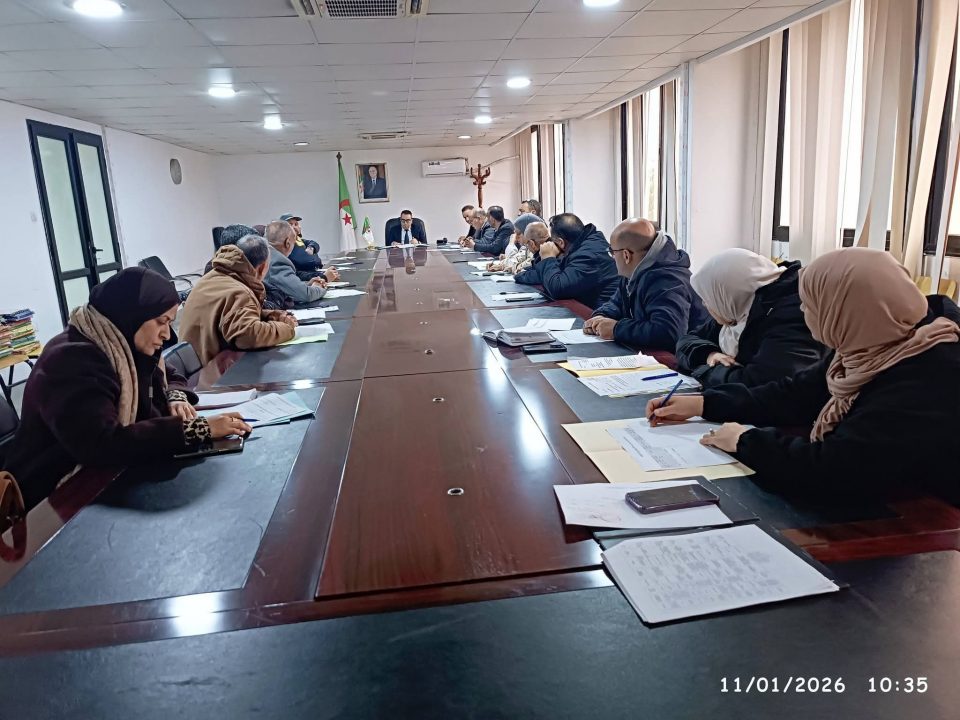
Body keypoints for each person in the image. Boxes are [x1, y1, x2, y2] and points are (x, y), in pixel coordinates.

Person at [648, 248, 960, 498]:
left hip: (931, 515)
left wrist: (745, 441)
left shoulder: (928, 373)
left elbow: (838, 469)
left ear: (845, 311)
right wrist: (705, 404)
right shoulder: (868, 342)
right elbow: (794, 393)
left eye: (811, 304)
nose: (801, 311)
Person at [2, 268, 252, 511]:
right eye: (161, 322)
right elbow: (102, 443)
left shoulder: (125, 342)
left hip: (108, 477)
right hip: (54, 495)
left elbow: (167, 374)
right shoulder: (71, 360)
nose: (167, 334)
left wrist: (174, 395)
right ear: (134, 314)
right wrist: (196, 430)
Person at [676, 248, 826, 387]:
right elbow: (686, 340)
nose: (704, 304)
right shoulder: (737, 308)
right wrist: (710, 354)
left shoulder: (789, 317)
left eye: (708, 298)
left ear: (726, 296)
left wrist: (707, 370)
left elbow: (759, 384)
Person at [585, 218, 707, 350]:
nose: (612, 257)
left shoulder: (668, 281)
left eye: (612, 252)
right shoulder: (634, 270)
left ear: (626, 256)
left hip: (685, 358)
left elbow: (668, 332)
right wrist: (601, 317)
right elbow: (616, 303)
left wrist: (616, 329)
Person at [180, 235, 297, 365]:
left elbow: (228, 316)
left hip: (193, 365)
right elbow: (248, 336)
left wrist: (270, 315)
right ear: (262, 267)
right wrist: (287, 328)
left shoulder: (213, 277)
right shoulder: (239, 291)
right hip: (210, 371)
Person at [515, 213, 619, 310]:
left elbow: (557, 289)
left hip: (602, 314)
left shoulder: (588, 254)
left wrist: (548, 258)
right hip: (591, 308)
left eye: (554, 242)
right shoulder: (582, 244)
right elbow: (549, 275)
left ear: (561, 242)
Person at [263, 220, 328, 307]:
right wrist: (319, 287)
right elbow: (306, 295)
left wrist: (305, 285)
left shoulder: (263, 253)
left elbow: (281, 286)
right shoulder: (277, 261)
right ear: (287, 243)